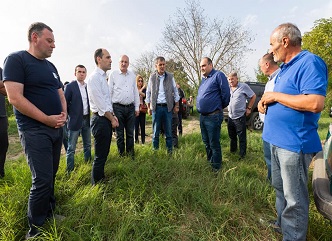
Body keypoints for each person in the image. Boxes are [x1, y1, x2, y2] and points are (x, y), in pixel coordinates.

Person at [258, 23, 327, 240]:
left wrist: (275, 97)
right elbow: (284, 99)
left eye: (272, 44)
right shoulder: (284, 69)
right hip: (275, 141)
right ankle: (281, 224)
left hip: (293, 145)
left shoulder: (309, 62)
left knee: (294, 199)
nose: (270, 50)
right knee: (281, 189)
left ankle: (293, 236)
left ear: (285, 41)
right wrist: (264, 103)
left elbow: (315, 102)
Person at [3, 22, 67, 239]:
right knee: (41, 179)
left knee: (51, 175)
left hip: (55, 128)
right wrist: (46, 119)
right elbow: (15, 98)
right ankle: (35, 229)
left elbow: (60, 93)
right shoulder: (16, 60)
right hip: (34, 130)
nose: (53, 46)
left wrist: (64, 113)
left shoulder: (51, 67)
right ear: (34, 37)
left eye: (54, 42)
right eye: (50, 41)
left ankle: (48, 213)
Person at [87, 48, 119, 185]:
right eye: (108, 57)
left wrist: (113, 116)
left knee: (104, 153)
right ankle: (96, 184)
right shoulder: (94, 78)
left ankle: (101, 179)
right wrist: (112, 119)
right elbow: (100, 104)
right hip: (100, 119)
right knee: (100, 155)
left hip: (105, 118)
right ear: (99, 59)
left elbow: (107, 101)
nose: (111, 60)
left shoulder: (102, 78)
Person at [196, 57, 230, 172]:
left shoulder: (218, 75)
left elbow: (226, 95)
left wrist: (217, 107)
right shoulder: (204, 79)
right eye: (201, 66)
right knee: (206, 142)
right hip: (203, 117)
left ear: (211, 65)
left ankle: (216, 168)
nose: (202, 68)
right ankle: (210, 162)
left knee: (214, 143)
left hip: (213, 116)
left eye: (204, 65)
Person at [146, 56, 180, 154]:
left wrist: (177, 105)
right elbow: (148, 92)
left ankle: (170, 152)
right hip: (156, 108)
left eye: (164, 64)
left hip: (167, 108)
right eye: (160, 65)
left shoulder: (170, 76)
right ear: (156, 65)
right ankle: (155, 152)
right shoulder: (152, 77)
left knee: (169, 132)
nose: (162, 66)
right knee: (155, 132)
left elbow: (175, 91)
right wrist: (148, 107)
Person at [108, 55, 139, 158]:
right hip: (118, 108)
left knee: (130, 133)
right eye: (122, 61)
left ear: (128, 64)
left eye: (126, 62)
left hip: (130, 108)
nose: (124, 63)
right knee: (120, 134)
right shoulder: (113, 74)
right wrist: (111, 111)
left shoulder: (132, 75)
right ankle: (122, 155)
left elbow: (135, 92)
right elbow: (109, 93)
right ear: (119, 63)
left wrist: (137, 107)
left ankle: (130, 156)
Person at [64, 65, 91, 173]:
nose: (81, 74)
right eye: (79, 72)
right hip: (75, 120)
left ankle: (88, 164)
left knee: (88, 144)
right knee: (71, 147)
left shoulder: (87, 86)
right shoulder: (70, 86)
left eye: (84, 72)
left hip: (86, 119)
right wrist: (69, 115)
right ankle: (69, 169)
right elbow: (64, 102)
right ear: (75, 73)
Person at [258, 53, 280, 181]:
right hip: (267, 124)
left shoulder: (281, 77)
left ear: (267, 64)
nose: (261, 69)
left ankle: (276, 182)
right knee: (268, 155)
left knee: (275, 156)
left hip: (275, 126)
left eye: (261, 66)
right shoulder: (270, 80)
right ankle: (271, 179)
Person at [227, 72, 256, 159]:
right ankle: (233, 151)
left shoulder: (243, 86)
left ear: (237, 79)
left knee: (241, 137)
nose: (231, 81)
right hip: (230, 116)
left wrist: (249, 108)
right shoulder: (228, 88)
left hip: (239, 117)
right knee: (232, 136)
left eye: (232, 79)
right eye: (229, 79)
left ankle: (242, 155)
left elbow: (253, 96)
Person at [0, 67, 8, 178]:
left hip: (1, 115)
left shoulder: (1, 70)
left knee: (3, 145)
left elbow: (8, 89)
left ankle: (1, 174)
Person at [135, 75, 147, 144]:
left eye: (141, 81)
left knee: (142, 126)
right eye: (139, 81)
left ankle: (143, 142)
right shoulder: (134, 88)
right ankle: (136, 141)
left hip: (142, 109)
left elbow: (144, 95)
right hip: (136, 109)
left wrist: (141, 90)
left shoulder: (144, 89)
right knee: (136, 126)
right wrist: (141, 89)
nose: (140, 82)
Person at [62, 81, 70, 153]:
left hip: (64, 117)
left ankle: (67, 150)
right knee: (64, 136)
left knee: (65, 136)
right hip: (60, 117)